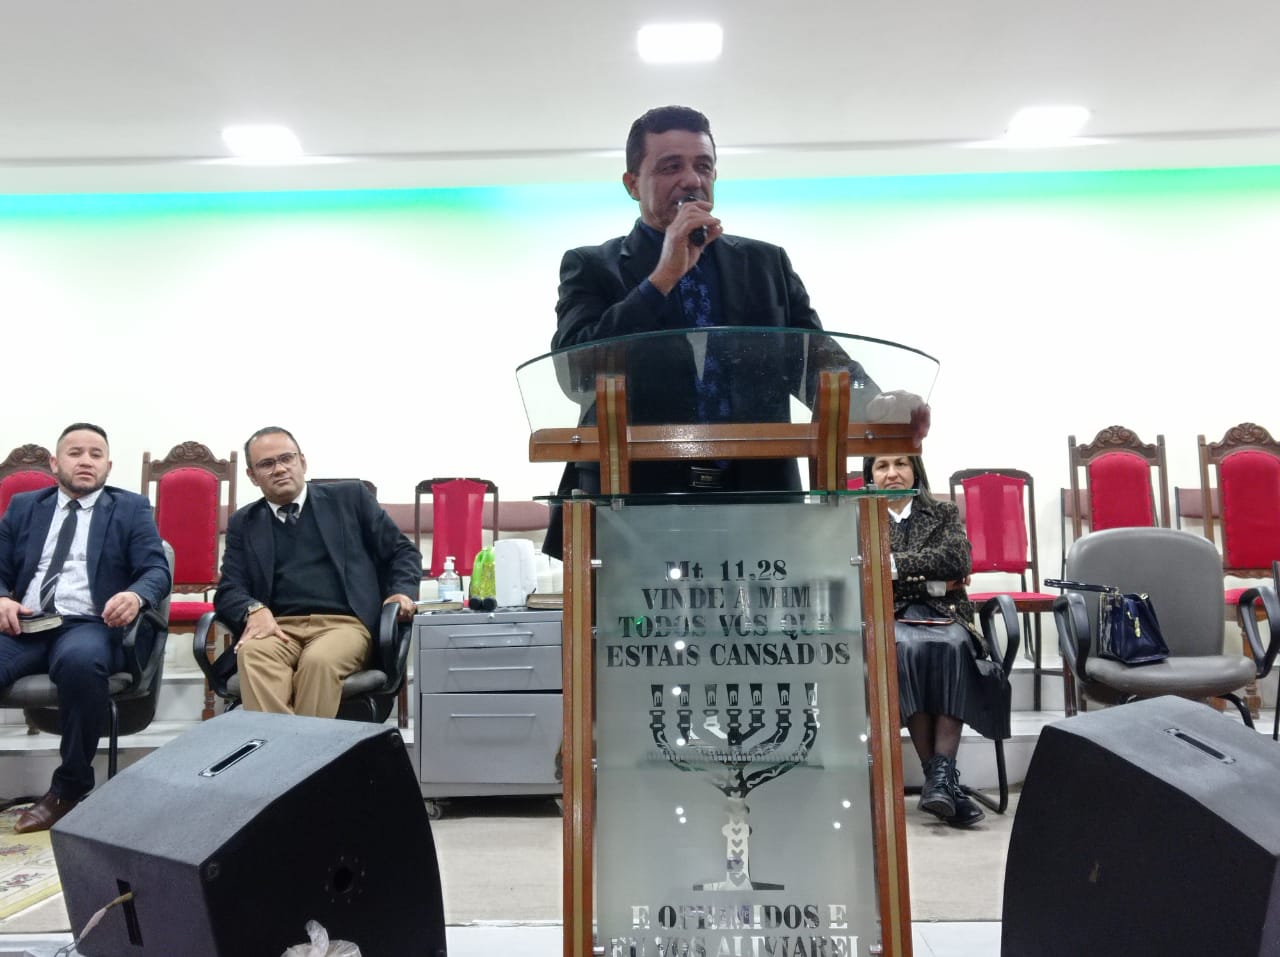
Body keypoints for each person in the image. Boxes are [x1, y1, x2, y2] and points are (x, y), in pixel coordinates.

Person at [545, 104, 926, 555]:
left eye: (703, 166)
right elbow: (576, 373)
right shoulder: (591, 266)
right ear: (632, 184)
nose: (691, 180)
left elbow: (817, 362)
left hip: (758, 499)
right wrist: (662, 279)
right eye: (671, 167)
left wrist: (875, 404)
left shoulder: (765, 264)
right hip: (633, 502)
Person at [0, 423, 171, 833]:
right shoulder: (24, 507)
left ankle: (68, 788)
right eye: (75, 453)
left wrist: (136, 595)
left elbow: (155, 569)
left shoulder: (130, 508)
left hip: (87, 623)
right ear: (54, 462)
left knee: (81, 663)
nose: (86, 461)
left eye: (96, 454)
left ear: (108, 466)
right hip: (26, 621)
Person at [213, 427, 421, 717]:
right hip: (279, 628)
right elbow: (229, 589)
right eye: (267, 464)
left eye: (286, 458)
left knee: (318, 661)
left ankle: (295, 746)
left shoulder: (349, 498)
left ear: (302, 461)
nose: (279, 469)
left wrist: (400, 592)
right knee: (253, 654)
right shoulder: (244, 522)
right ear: (252, 475)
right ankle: (291, 746)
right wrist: (253, 609)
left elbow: (402, 551)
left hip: (344, 625)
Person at [865, 453, 1006, 829]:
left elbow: (957, 560)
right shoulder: (862, 516)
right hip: (890, 616)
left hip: (947, 615)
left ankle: (938, 780)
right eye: (882, 466)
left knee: (951, 646)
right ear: (871, 475)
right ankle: (941, 782)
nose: (892, 473)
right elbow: (862, 566)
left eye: (901, 464)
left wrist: (893, 566)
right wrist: (933, 578)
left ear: (915, 470)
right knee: (907, 648)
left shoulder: (942, 512)